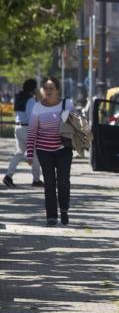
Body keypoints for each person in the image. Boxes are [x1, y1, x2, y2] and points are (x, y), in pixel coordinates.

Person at [26, 77, 75, 227]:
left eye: (51, 88)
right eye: (45, 88)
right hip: (44, 150)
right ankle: (51, 217)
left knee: (63, 182)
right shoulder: (37, 108)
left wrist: (69, 117)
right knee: (49, 183)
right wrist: (29, 153)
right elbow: (32, 131)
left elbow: (77, 124)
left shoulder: (68, 104)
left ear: (58, 90)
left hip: (63, 149)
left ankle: (64, 210)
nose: (47, 91)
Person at [3, 79, 43, 188]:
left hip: (18, 128)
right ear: (33, 89)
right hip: (27, 129)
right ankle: (36, 180)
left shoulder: (19, 97)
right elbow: (32, 117)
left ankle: (8, 176)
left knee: (19, 153)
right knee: (35, 153)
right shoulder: (30, 100)